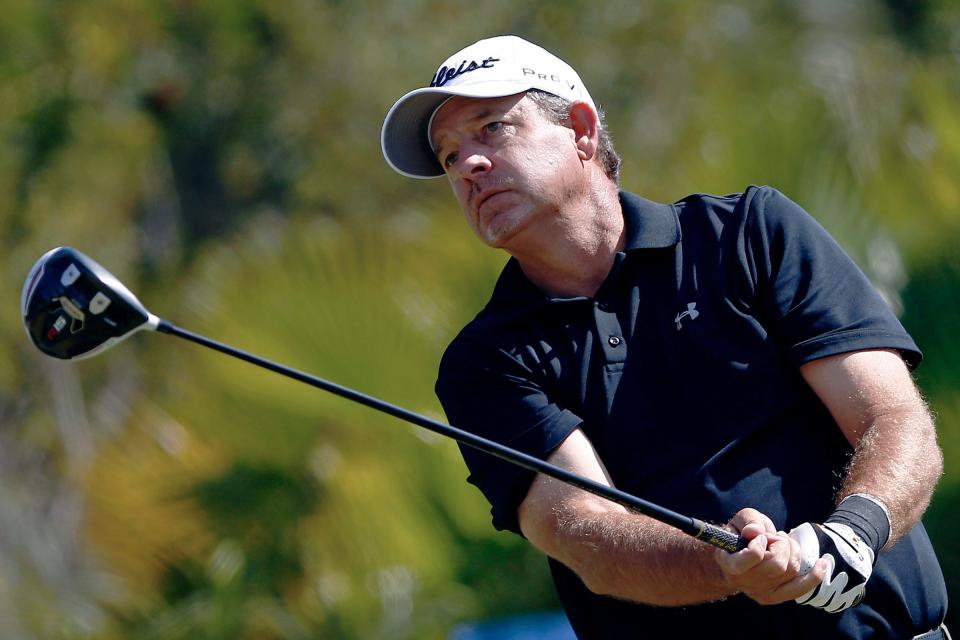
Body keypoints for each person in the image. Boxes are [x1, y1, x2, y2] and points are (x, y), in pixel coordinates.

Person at [380, 35, 949, 639]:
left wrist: (853, 534)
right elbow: (584, 531)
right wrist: (725, 565)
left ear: (580, 129)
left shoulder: (749, 234)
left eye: (493, 127)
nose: (468, 165)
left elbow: (893, 419)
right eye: (448, 156)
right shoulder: (485, 362)